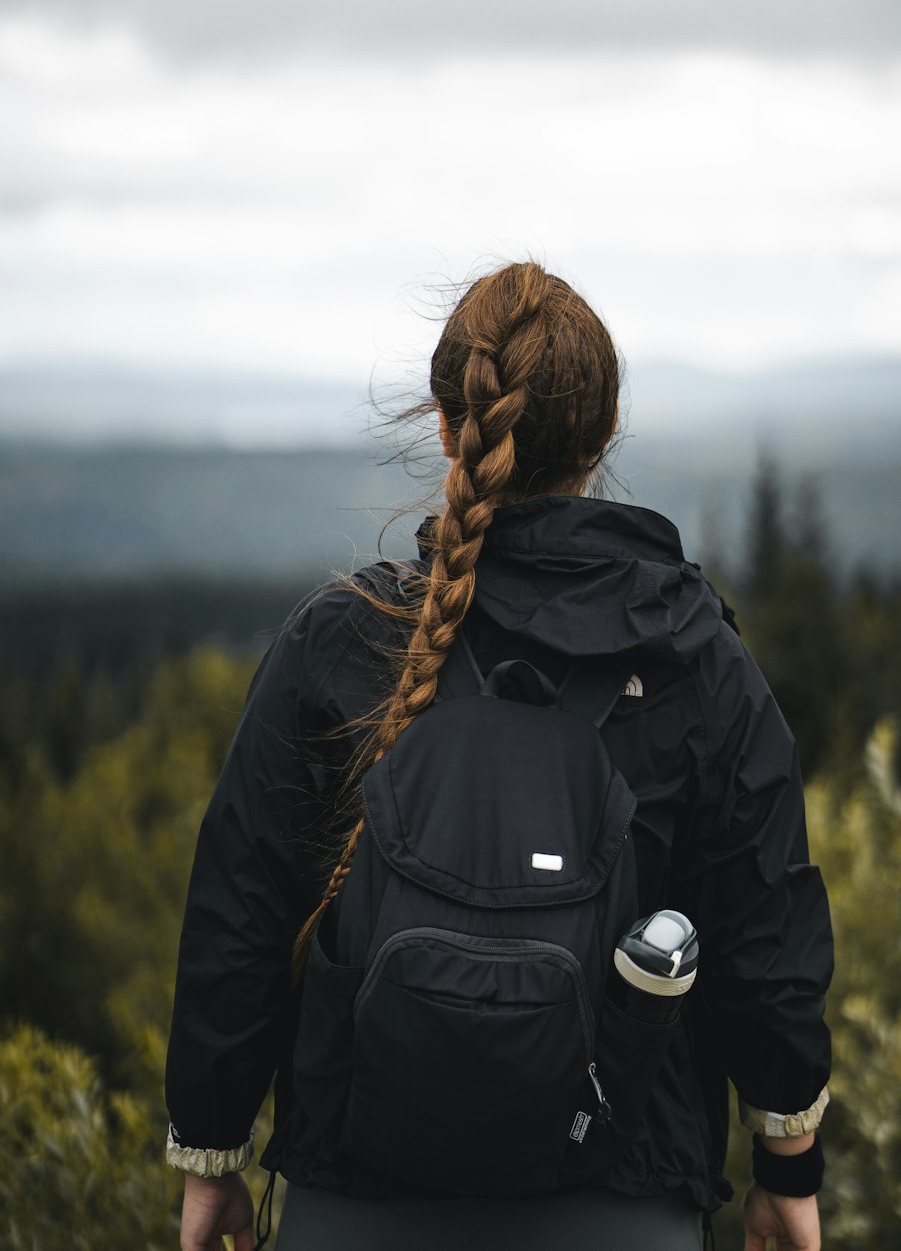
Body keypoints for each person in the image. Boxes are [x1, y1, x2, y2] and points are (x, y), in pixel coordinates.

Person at [164, 261, 833, 1251]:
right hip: (623, 1192)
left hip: (358, 1187)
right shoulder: (696, 656)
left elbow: (240, 916)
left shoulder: (344, 639)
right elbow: (764, 928)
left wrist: (211, 1154)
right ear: (605, 436)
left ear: (449, 425)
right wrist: (786, 1166)